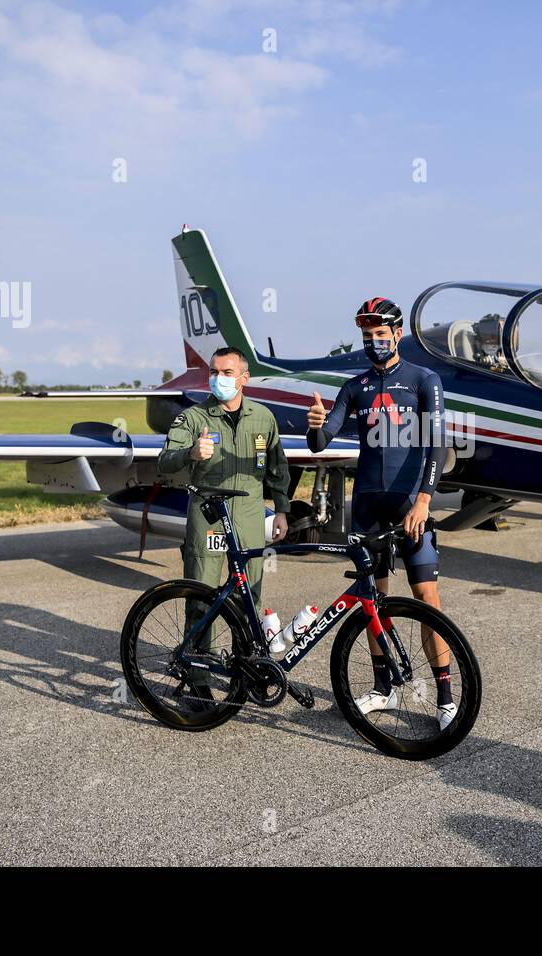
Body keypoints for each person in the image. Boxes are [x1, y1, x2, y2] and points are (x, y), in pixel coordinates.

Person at [305, 297, 456, 729]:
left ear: (397, 334)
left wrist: (425, 501)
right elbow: (322, 442)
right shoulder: (355, 387)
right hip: (368, 506)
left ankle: (445, 696)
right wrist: (316, 424)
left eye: (380, 335)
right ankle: (383, 687)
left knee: (428, 600)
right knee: (374, 601)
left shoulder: (424, 380)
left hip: (411, 505)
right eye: (367, 337)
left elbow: (437, 445)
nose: (373, 343)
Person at [158, 347, 290, 634]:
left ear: (244, 378)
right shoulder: (192, 417)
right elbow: (165, 461)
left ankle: (244, 670)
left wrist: (281, 510)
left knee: (249, 597)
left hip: (250, 517)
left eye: (227, 373)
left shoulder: (263, 418)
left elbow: (277, 468)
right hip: (209, 517)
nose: (219, 378)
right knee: (201, 597)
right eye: (214, 372)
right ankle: (199, 671)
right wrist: (190, 454)